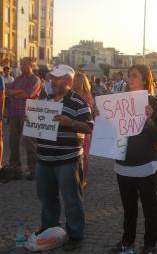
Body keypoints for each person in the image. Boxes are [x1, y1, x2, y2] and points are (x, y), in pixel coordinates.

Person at [35, 65, 93, 251]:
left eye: (57, 78)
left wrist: (71, 123)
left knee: (71, 199)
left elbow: (88, 127)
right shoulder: (44, 99)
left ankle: (75, 234)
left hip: (68, 160)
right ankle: (49, 229)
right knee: (46, 197)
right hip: (44, 158)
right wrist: (32, 122)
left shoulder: (78, 102)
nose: (52, 81)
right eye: (51, 78)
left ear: (68, 81)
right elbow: (39, 124)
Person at [109, 64, 157, 254]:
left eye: (134, 76)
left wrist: (149, 120)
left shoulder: (152, 102)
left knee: (150, 208)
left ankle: (149, 245)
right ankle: (127, 241)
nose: (129, 79)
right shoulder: (118, 102)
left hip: (145, 164)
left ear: (144, 80)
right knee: (129, 208)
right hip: (123, 164)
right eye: (128, 76)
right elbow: (110, 129)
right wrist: (101, 116)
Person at [3, 57, 41, 182]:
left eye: (25, 64)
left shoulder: (35, 79)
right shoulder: (18, 79)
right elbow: (6, 91)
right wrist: (17, 91)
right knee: (13, 142)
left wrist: (15, 92)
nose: (22, 66)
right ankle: (16, 168)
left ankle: (33, 169)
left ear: (31, 65)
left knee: (30, 143)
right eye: (21, 64)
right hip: (14, 114)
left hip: (28, 115)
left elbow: (28, 94)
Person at [73, 72, 93, 187]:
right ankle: (80, 178)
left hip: (82, 129)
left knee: (83, 155)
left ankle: (83, 179)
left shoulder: (86, 96)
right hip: (78, 128)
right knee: (80, 155)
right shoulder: (84, 94)